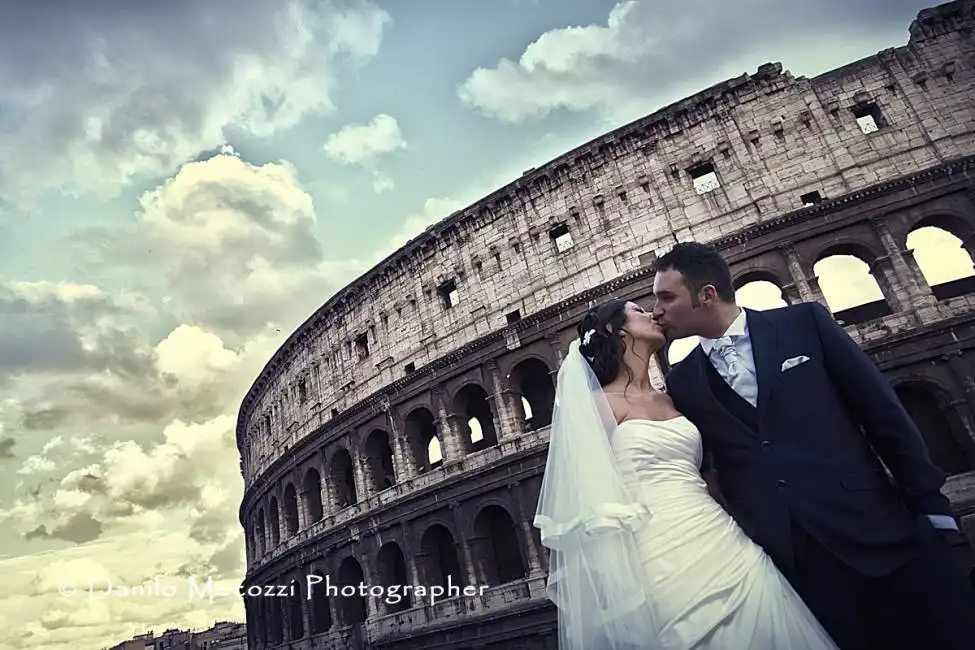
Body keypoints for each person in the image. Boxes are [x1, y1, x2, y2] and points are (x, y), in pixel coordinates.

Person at [651, 241, 975, 650]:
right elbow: (714, 469)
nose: (657, 309)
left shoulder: (803, 324)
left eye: (666, 296)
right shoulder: (684, 381)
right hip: (798, 564)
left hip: (881, 532)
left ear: (706, 294)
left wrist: (933, 507)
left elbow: (882, 415)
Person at [533, 297, 839, 649]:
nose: (651, 313)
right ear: (614, 331)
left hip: (718, 537)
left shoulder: (671, 398)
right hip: (656, 556)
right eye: (637, 310)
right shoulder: (598, 406)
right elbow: (585, 500)